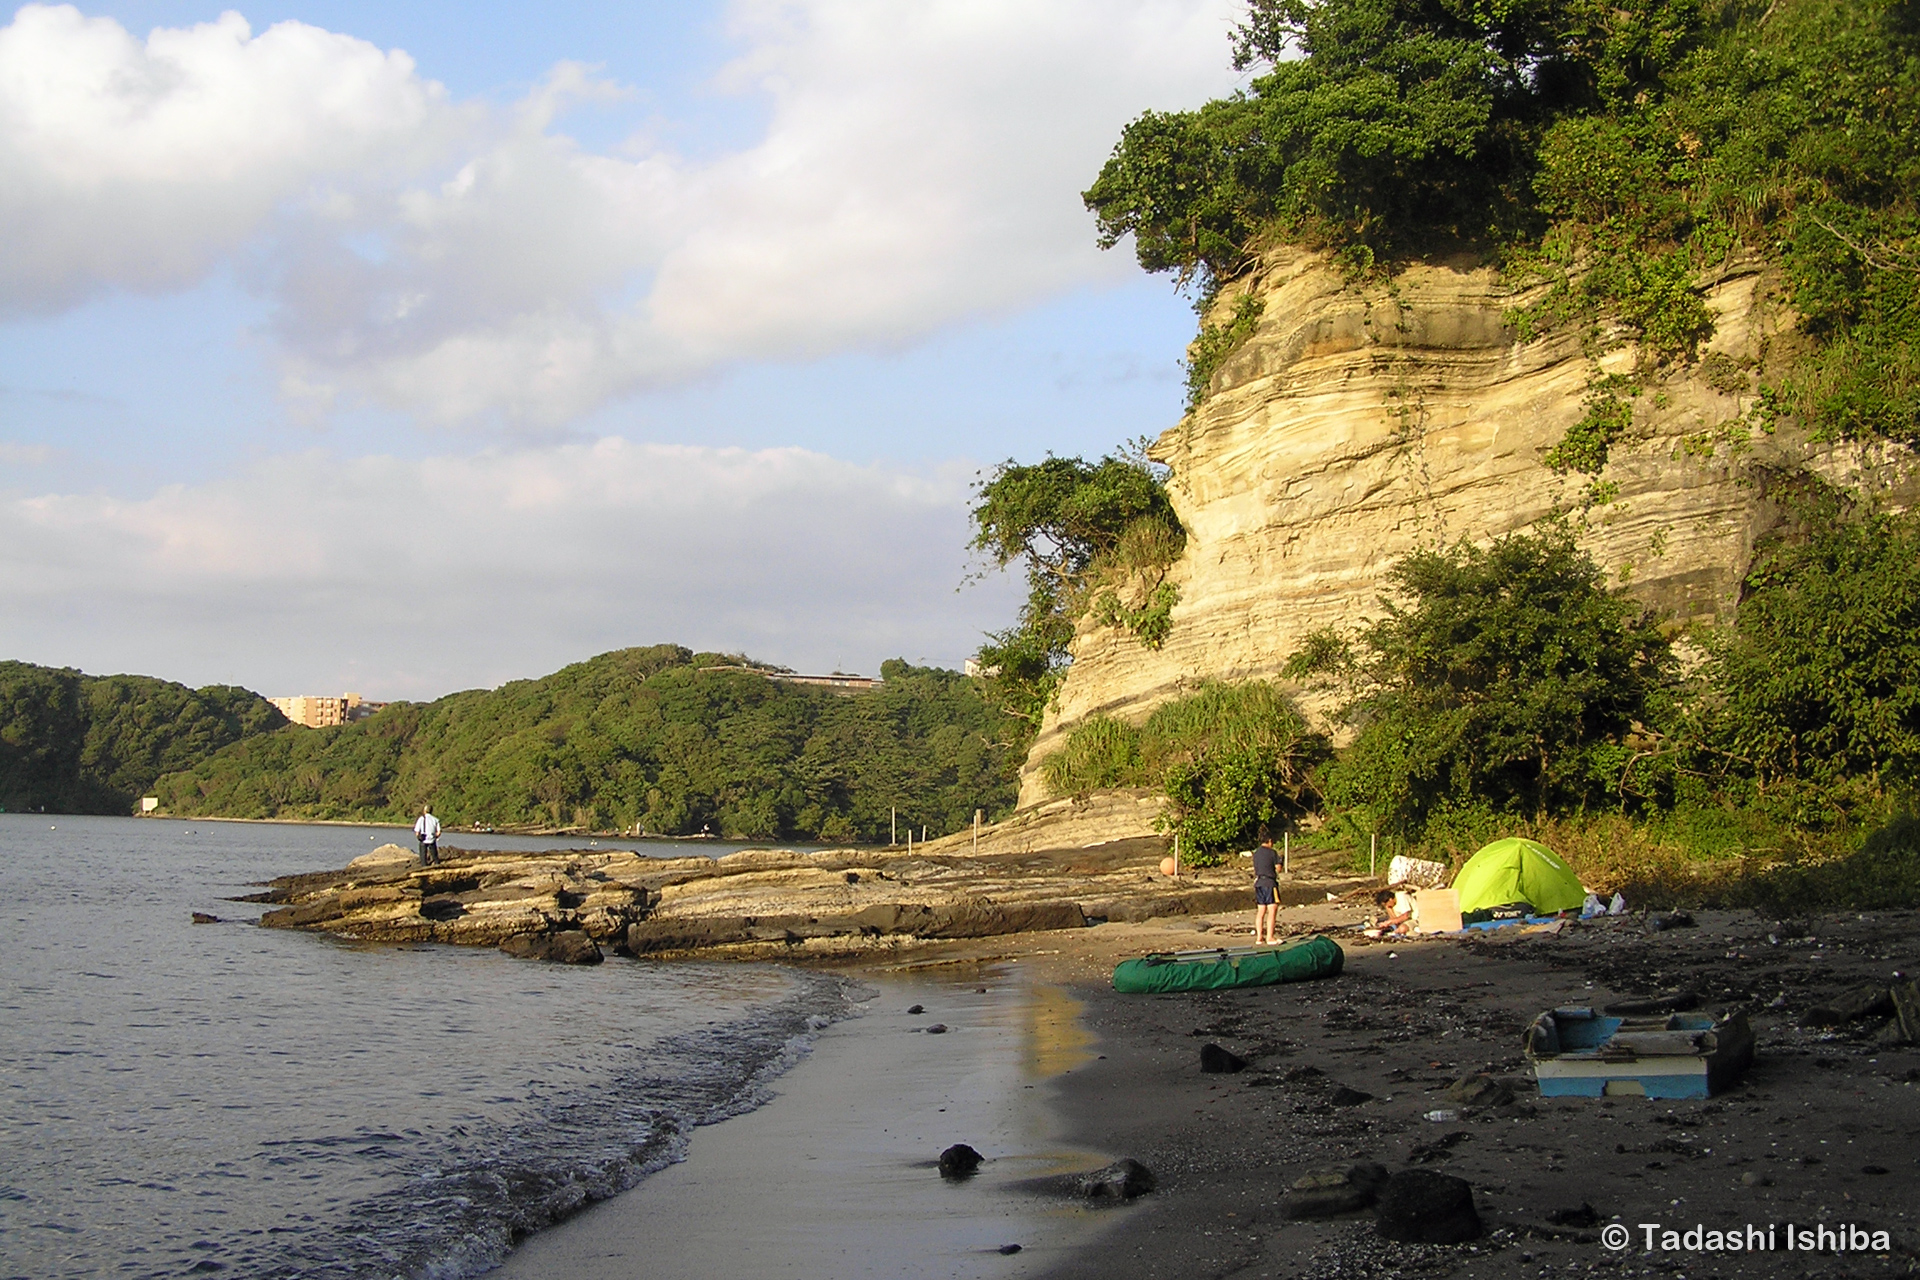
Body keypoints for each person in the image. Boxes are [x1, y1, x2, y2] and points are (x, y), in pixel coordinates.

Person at [1251, 829, 1281, 945]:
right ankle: (1270, 937)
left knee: (1261, 911)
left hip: (1259, 882)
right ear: (1269, 841)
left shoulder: (1256, 853)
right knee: (1272, 910)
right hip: (1269, 883)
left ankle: (1259, 938)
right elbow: (1278, 868)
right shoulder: (1272, 852)